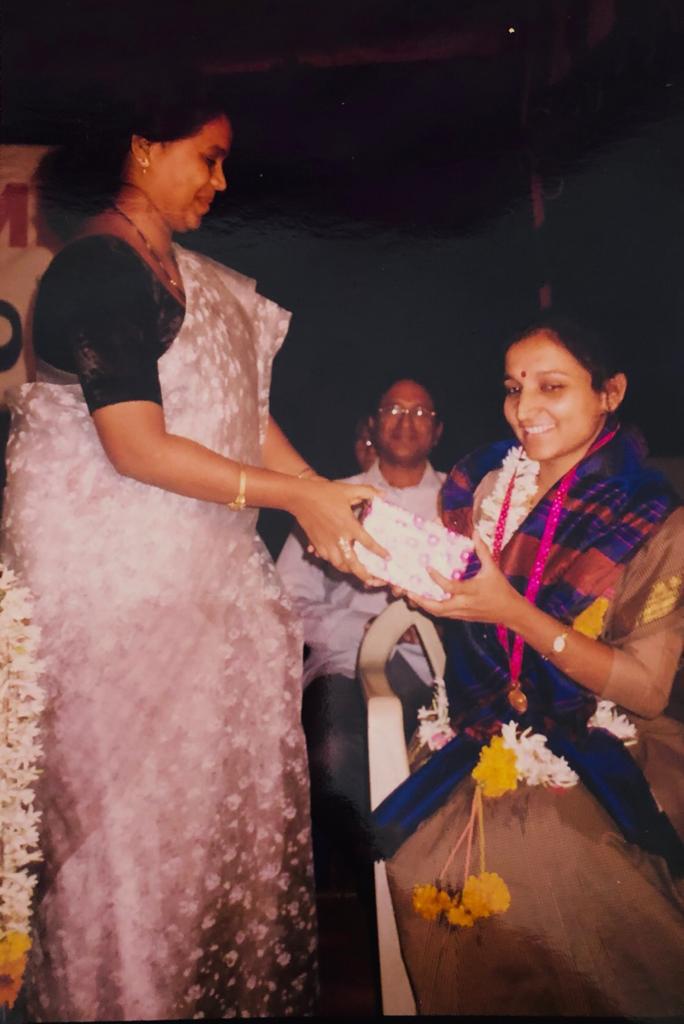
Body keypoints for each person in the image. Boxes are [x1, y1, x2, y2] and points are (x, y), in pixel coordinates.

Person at [1, 84, 387, 1021]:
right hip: (112, 600)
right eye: (207, 157)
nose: (220, 180)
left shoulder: (195, 276)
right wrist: (294, 497)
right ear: (142, 146)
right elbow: (136, 446)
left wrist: (324, 500)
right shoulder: (97, 267)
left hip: (203, 590)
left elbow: (243, 417)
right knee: (121, 845)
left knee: (197, 839)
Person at [371, 317, 684, 1017]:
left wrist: (511, 611)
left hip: (604, 736)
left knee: (542, 861)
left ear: (610, 393)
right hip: (483, 720)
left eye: (552, 386)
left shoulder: (653, 516)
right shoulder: (488, 487)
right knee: (429, 863)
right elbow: (473, 610)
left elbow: (646, 690)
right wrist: (412, 578)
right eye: (514, 388)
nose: (524, 408)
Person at [277, 379, 444, 883]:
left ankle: (422, 890)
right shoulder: (330, 498)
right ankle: (389, 890)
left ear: (437, 430)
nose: (406, 421)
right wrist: (366, 626)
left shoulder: (461, 502)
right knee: (333, 760)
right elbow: (286, 598)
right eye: (393, 409)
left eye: (419, 412)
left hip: (433, 673)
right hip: (344, 663)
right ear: (373, 423)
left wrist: (432, 624)